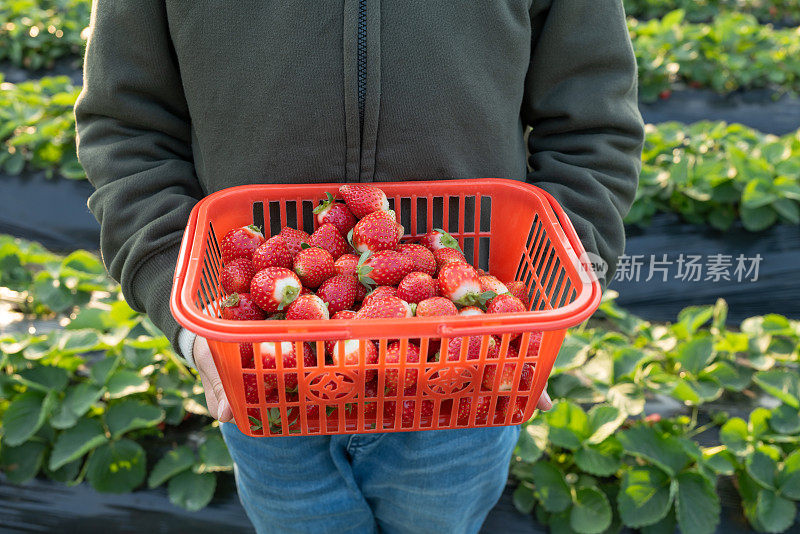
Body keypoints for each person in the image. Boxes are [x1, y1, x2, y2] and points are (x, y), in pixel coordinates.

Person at [76, 1, 643, 532]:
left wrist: (554, 288)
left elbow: (593, 131)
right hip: (260, 365)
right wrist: (185, 313)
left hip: (468, 364)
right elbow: (128, 131)